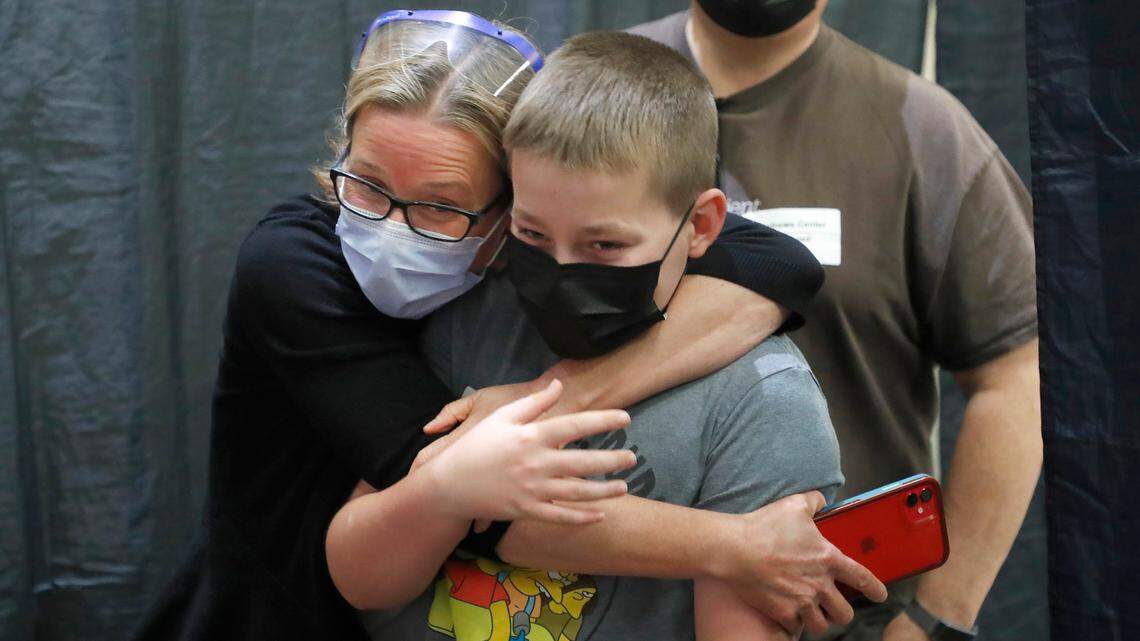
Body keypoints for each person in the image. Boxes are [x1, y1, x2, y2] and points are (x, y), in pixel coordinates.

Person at [132, 10, 883, 641]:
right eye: (363, 184)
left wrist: (554, 391)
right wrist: (735, 548)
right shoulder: (295, 263)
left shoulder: (508, 267)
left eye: (440, 205)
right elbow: (474, 506)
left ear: (504, 205)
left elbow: (780, 263)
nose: (392, 230)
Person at [333, 31, 846, 641]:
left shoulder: (761, 400)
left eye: (604, 245)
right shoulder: (465, 317)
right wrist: (444, 491)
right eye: (531, 235)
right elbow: (360, 578)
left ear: (703, 224)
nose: (561, 273)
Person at [630, 2, 1042, 640]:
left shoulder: (920, 129)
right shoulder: (595, 89)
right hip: (603, 603)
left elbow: (1015, 378)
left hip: (845, 613)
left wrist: (934, 620)